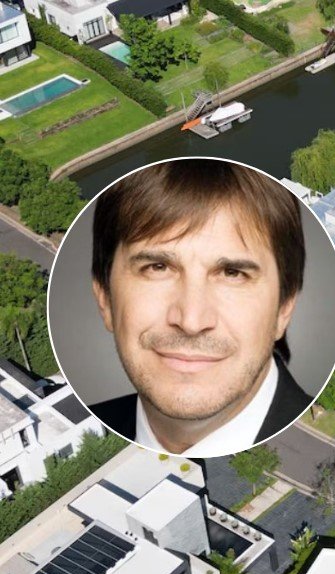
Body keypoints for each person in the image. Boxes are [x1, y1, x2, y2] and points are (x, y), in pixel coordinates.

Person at [87, 159, 310, 457]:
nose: (191, 321)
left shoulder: (301, 449)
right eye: (157, 267)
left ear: (284, 308)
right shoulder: (94, 430)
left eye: (232, 273)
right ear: (104, 298)